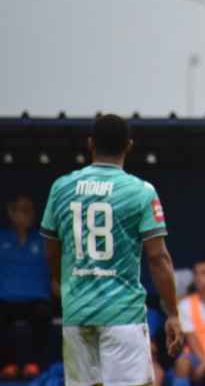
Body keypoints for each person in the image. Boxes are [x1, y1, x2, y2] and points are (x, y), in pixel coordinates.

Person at [39, 114, 183, 386]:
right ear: (129, 146)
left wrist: (62, 283)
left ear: (90, 143)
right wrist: (173, 313)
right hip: (123, 316)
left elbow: (51, 252)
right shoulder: (141, 191)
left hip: (77, 314)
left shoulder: (61, 188)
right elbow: (158, 257)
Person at [0, 194, 52, 379]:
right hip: (5, 299)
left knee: (43, 313)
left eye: (30, 211)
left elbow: (55, 270)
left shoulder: (43, 240)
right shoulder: (1, 238)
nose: (28, 215)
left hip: (36, 300)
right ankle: (7, 365)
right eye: (23, 210)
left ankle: (34, 364)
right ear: (11, 213)